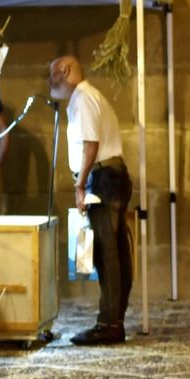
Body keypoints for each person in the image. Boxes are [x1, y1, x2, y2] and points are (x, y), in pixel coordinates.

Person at [48, 55, 132, 346]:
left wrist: (80, 184)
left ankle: (109, 323)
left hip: (103, 178)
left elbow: (90, 145)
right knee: (117, 252)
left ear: (67, 70)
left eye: (53, 75)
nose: (51, 83)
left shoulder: (82, 98)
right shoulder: (89, 96)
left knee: (106, 254)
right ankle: (114, 318)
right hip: (113, 175)